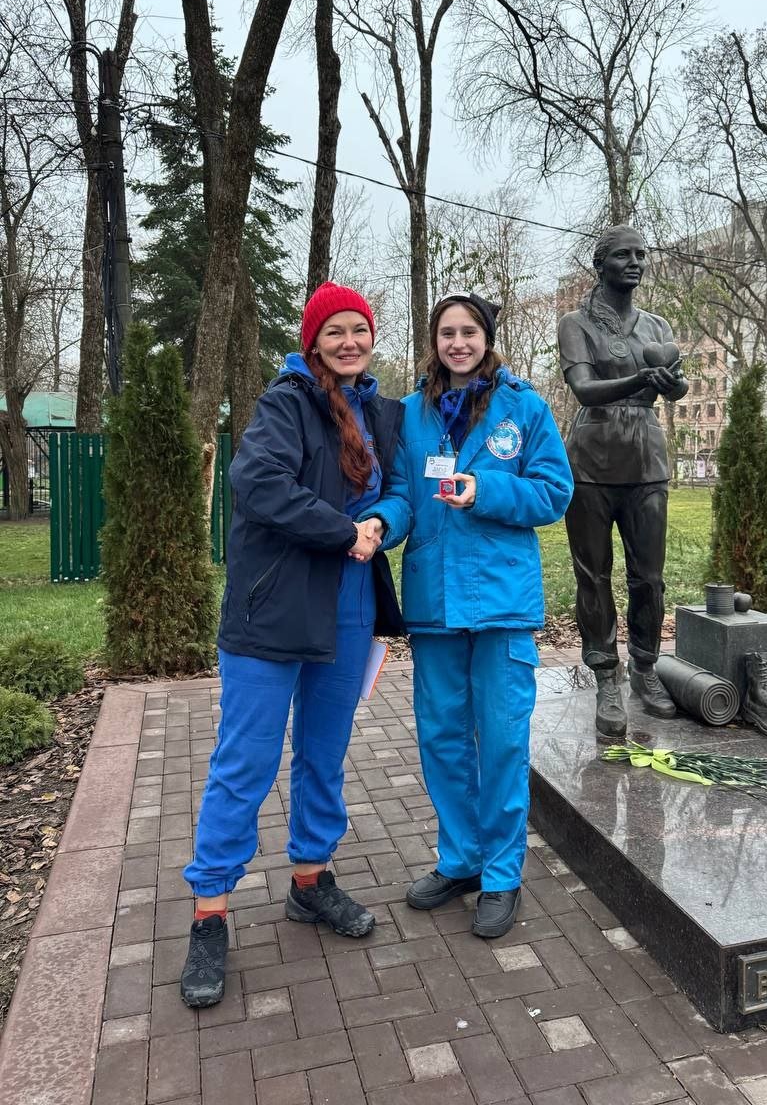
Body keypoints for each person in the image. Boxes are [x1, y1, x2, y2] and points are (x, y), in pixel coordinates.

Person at [179, 282, 404, 1008]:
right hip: (273, 610)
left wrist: (381, 524)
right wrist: (345, 531)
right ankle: (210, 912)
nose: (349, 342)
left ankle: (310, 879)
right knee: (244, 762)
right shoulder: (285, 403)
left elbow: (398, 492)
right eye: (334, 331)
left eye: (359, 329)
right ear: (313, 342)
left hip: (349, 606)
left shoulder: (378, 410)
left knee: (322, 754)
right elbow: (258, 483)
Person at [362, 292, 573, 939]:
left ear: (487, 338)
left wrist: (487, 490)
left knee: (503, 741)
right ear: (435, 341)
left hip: (502, 602)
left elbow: (554, 492)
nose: (458, 343)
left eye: (469, 332)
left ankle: (502, 875)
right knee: (442, 738)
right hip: (435, 602)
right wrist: (381, 524)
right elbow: (402, 494)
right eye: (447, 332)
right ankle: (461, 860)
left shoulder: (523, 408)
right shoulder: (411, 413)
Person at [557, 225, 688, 737]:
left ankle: (645, 667)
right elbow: (584, 388)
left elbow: (675, 389)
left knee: (649, 577)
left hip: (646, 458)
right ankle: (606, 675)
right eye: (623, 255)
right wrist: (639, 380)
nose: (635, 263)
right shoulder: (576, 323)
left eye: (641, 255)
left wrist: (672, 384)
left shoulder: (657, 325)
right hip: (591, 462)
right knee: (593, 575)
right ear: (600, 264)